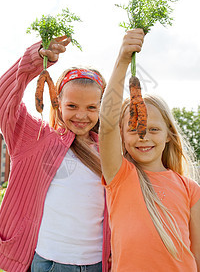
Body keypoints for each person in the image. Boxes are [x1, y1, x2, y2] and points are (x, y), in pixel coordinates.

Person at [0, 36, 111, 272]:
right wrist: (33, 61)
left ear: (100, 107)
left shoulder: (109, 150)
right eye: (72, 106)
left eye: (91, 107)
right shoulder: (36, 139)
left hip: (98, 264)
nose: (82, 115)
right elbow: (4, 102)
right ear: (57, 102)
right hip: (49, 263)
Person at [99, 29, 200, 271]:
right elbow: (108, 123)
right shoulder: (120, 176)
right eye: (133, 128)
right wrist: (123, 60)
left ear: (169, 136)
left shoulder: (191, 189)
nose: (143, 135)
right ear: (122, 137)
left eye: (153, 129)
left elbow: (197, 255)